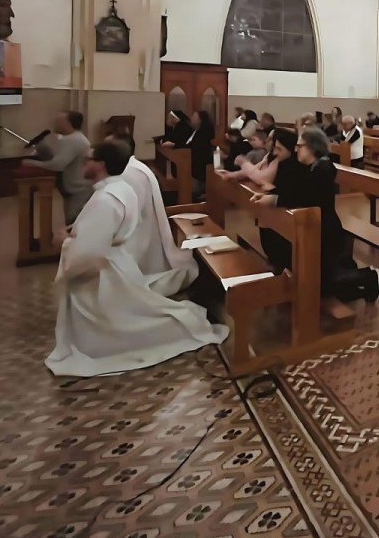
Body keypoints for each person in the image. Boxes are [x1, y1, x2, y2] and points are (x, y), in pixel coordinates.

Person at [46, 142, 227, 377]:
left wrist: (64, 242)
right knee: (131, 316)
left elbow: (88, 253)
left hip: (103, 276)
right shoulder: (121, 188)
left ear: (101, 164)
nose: (84, 162)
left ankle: (179, 328)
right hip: (117, 265)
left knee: (117, 327)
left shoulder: (106, 199)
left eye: (88, 159)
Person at [252, 128, 379, 303]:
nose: (296, 149)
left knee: (323, 285)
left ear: (312, 147)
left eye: (300, 146)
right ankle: (353, 275)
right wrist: (271, 193)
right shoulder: (311, 167)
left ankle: (368, 276)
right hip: (315, 228)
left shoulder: (324, 167)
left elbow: (306, 196)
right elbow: (296, 191)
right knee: (320, 286)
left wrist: (274, 198)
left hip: (326, 232)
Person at [108, 135, 198, 295]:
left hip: (140, 230)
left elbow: (130, 210)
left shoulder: (131, 173)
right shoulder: (133, 167)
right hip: (142, 225)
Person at [23, 110, 93, 224]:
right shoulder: (73, 138)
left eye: (58, 121)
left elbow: (57, 165)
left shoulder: (73, 140)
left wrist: (31, 163)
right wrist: (42, 147)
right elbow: (59, 158)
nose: (54, 123)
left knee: (74, 225)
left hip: (79, 191)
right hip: (76, 189)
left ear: (67, 123)